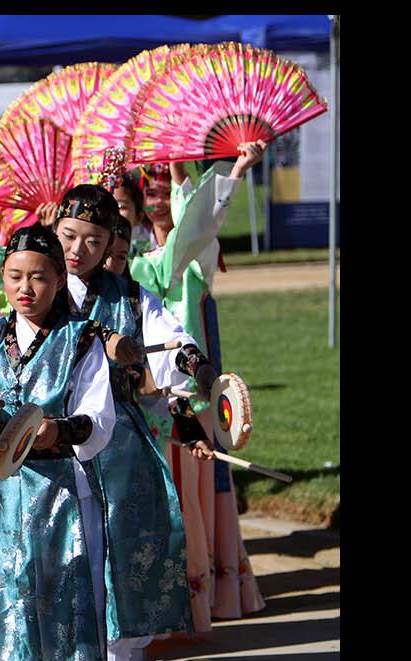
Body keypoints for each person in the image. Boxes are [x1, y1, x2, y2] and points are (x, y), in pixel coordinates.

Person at [52, 184, 216, 661]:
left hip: (116, 446)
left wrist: (194, 365)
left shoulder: (130, 297)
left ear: (110, 244)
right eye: (69, 236)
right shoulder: (37, 289)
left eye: (93, 240)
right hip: (49, 448)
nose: (78, 249)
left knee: (111, 561)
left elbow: (172, 339)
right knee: (56, 562)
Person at [0, 224, 114, 661]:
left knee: (63, 599)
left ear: (59, 280)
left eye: (38, 277)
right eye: (15, 276)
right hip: (4, 490)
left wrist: (55, 431)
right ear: (2, 277)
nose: (25, 288)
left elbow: (98, 418)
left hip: (62, 492)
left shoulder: (79, 340)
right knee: (14, 596)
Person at [129, 142, 269, 629]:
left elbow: (199, 224)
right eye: (142, 202)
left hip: (189, 396)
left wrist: (232, 171)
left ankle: (206, 596)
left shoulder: (185, 263)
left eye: (162, 197)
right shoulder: (131, 269)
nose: (156, 206)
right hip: (138, 404)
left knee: (198, 492)